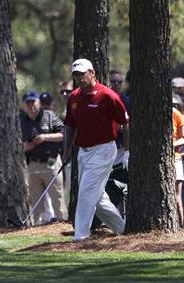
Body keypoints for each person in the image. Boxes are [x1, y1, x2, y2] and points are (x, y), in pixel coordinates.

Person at [63, 58, 128, 241]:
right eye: (76, 75)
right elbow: (70, 125)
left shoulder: (107, 95)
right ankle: (122, 228)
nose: (79, 78)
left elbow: (125, 122)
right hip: (84, 151)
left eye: (82, 74)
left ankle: (81, 235)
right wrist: (67, 150)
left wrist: (128, 151)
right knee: (97, 197)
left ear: (92, 73)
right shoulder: (74, 97)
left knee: (85, 192)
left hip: (104, 150)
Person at [21, 91, 68, 225]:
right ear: (24, 105)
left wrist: (46, 137)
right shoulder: (22, 121)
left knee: (57, 197)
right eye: (28, 103)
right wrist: (24, 147)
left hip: (51, 162)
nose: (31, 106)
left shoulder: (50, 116)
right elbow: (15, 142)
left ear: (39, 102)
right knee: (36, 199)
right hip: (33, 164)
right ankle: (38, 226)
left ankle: (62, 224)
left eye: (33, 102)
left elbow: (64, 133)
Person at [172, 97, 184, 227]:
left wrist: (171, 145)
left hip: (175, 158)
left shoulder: (176, 114)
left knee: (177, 199)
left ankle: (181, 229)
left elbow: (183, 139)